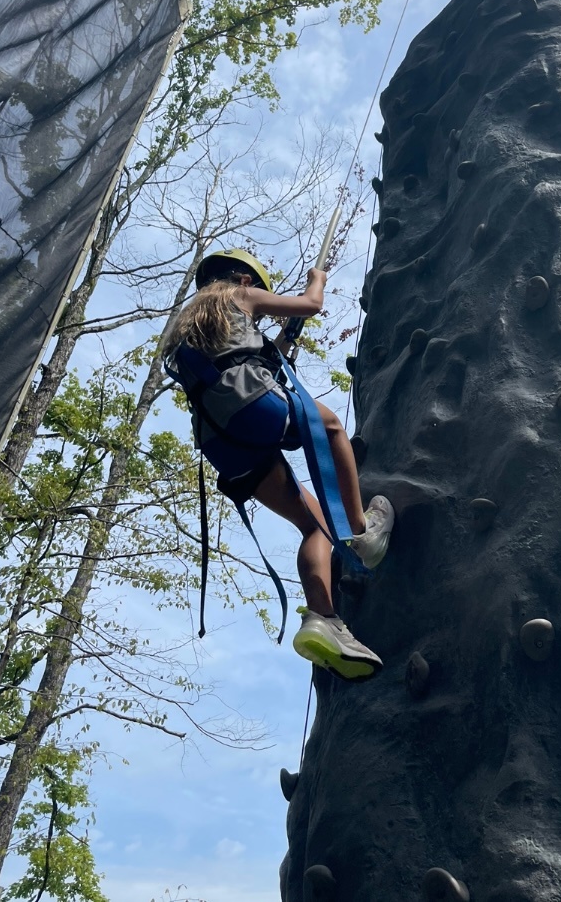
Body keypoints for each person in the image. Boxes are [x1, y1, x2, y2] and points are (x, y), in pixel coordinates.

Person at [164, 248, 393, 682]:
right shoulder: (240, 296)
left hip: (220, 440)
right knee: (331, 428)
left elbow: (249, 358)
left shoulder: (189, 330)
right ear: (246, 281)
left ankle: (323, 619)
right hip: (251, 404)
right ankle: (363, 531)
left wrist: (284, 340)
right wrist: (317, 278)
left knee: (314, 525)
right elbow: (312, 303)